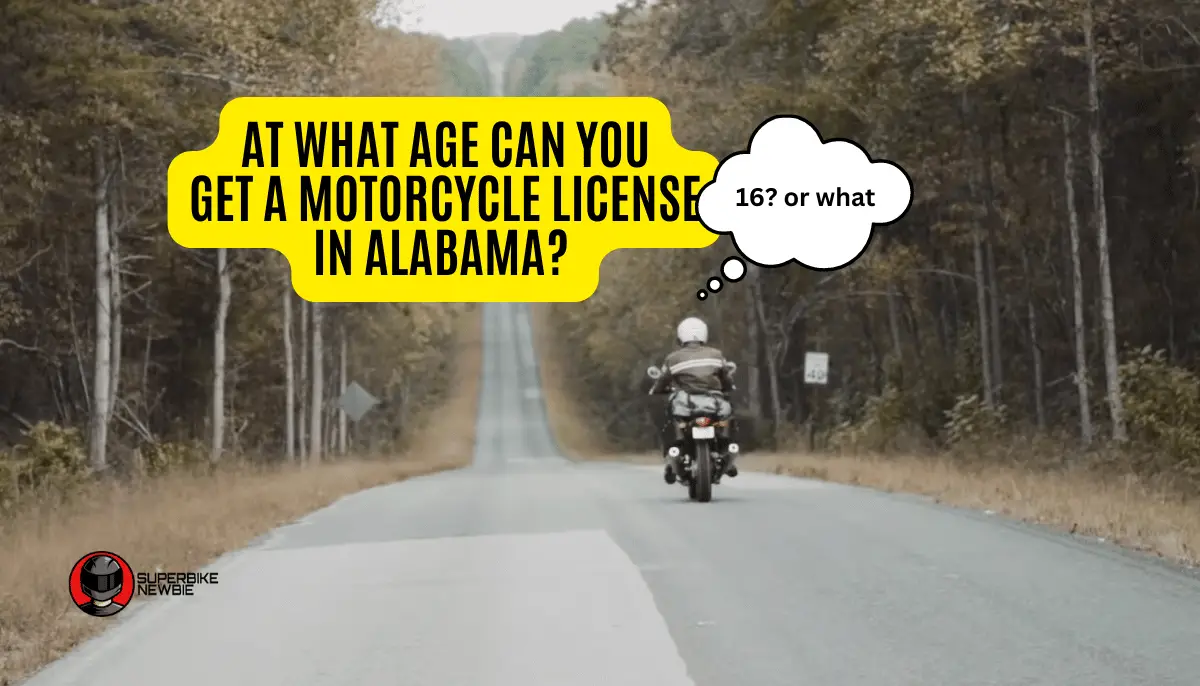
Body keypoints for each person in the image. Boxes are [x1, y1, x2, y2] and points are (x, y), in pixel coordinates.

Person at [648, 316, 738, 483]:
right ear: (704, 334)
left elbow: (662, 380)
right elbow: (726, 379)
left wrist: (657, 390)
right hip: (714, 404)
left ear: (681, 335)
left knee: (668, 421)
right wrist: (729, 387)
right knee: (730, 417)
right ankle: (727, 451)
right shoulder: (716, 355)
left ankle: (670, 457)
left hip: (685, 405)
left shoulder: (673, 358)